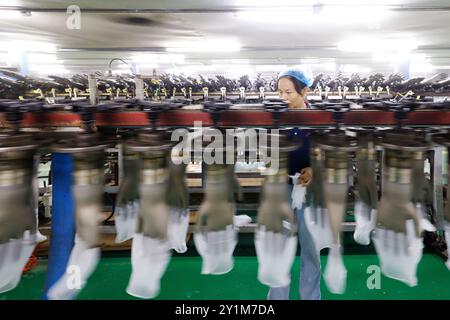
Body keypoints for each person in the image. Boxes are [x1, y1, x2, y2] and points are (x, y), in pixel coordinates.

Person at [267, 67, 321, 300]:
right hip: (281, 187)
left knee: (310, 247)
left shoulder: (320, 120)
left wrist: (314, 168)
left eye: (289, 92)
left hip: (309, 189)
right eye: (280, 92)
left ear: (305, 91)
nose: (283, 98)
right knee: (279, 245)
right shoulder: (277, 118)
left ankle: (310, 297)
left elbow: (327, 151)